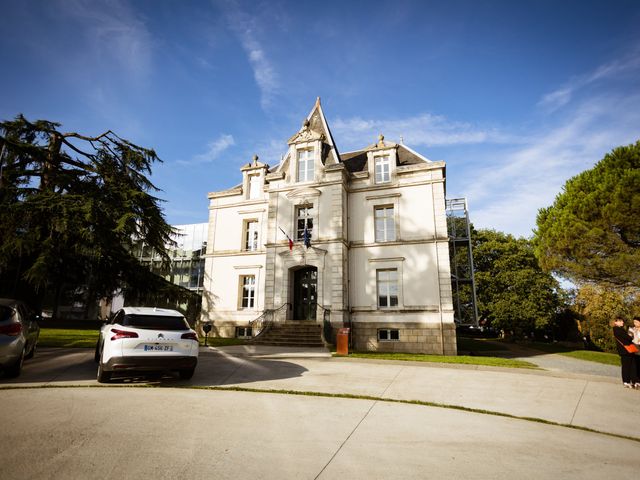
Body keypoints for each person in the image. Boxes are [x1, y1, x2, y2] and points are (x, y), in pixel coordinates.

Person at [613, 317, 639, 389]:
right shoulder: (617, 329)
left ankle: (634, 381)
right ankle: (626, 381)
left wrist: (629, 337)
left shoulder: (621, 329)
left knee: (632, 366)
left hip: (628, 351)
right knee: (626, 366)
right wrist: (630, 337)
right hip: (625, 351)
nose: (622, 322)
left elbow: (628, 338)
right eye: (620, 321)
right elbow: (628, 338)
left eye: (622, 321)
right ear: (616, 322)